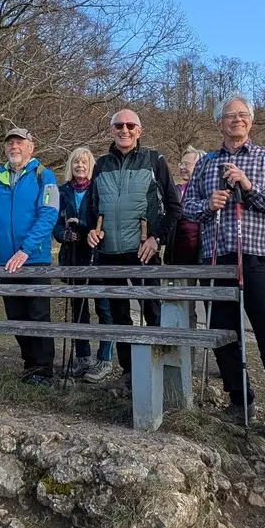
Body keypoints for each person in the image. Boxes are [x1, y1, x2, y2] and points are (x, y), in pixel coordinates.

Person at [184, 95, 265, 446]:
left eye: (242, 115)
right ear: (219, 122)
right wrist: (209, 204)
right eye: (230, 115)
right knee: (222, 332)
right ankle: (239, 400)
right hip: (218, 257)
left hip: (259, 257)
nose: (237, 119)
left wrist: (248, 187)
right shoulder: (206, 163)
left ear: (251, 121)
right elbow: (187, 208)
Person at [84, 109, 182, 384]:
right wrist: (91, 230)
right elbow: (91, 208)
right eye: (119, 125)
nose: (124, 130)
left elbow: (174, 207)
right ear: (111, 130)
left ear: (140, 131)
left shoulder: (154, 160)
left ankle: (161, 374)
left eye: (130, 125)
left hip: (142, 251)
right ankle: (129, 374)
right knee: (119, 317)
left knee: (152, 312)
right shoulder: (101, 165)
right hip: (108, 253)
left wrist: (156, 238)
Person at [0, 127, 59, 384]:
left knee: (38, 316)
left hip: (35, 259)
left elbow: (48, 215)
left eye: (19, 142)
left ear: (31, 147)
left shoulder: (44, 176)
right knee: (16, 316)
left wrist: (26, 250)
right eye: (10, 143)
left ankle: (43, 371)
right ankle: (30, 365)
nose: (14, 147)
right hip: (6, 262)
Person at [53, 146, 115, 382]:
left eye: (85, 162)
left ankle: (105, 359)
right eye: (76, 162)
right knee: (78, 309)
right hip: (72, 257)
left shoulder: (99, 189)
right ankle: (82, 357)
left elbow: (104, 221)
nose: (80, 166)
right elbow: (55, 225)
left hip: (97, 255)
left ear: (91, 167)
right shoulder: (62, 191)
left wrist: (84, 225)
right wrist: (64, 234)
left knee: (104, 308)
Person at [170, 147, 205, 265]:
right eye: (181, 163)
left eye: (186, 164)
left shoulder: (207, 190)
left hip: (203, 251)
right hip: (179, 251)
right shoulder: (175, 190)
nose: (181, 167)